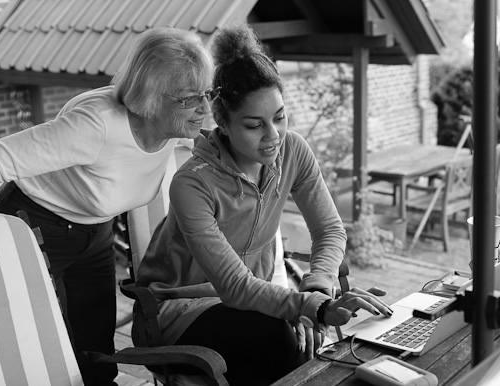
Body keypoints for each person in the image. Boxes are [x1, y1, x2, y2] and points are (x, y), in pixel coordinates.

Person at [134, 24, 393, 386]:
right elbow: (234, 286)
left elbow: (329, 229)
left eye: (280, 117)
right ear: (222, 122)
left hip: (250, 308)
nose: (273, 136)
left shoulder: (293, 151)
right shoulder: (193, 184)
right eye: (255, 125)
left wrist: (317, 290)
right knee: (275, 337)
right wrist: (310, 308)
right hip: (176, 313)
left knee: (293, 344)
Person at [0, 27, 215, 385]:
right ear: (152, 99)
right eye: (190, 98)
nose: (204, 108)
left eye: (206, 94)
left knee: (96, 340)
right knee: (45, 339)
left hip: (94, 227)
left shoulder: (175, 125)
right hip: (36, 225)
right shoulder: (96, 126)